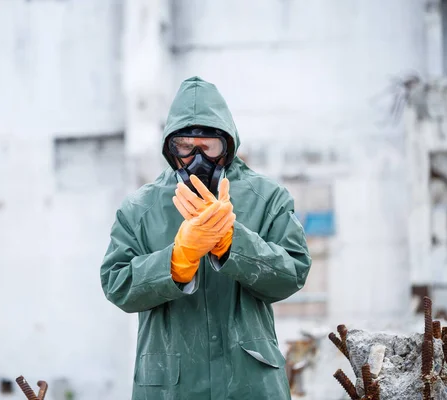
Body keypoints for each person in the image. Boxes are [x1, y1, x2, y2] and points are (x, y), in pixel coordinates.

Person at [100, 76, 312, 399]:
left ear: (227, 145)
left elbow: (294, 270)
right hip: (171, 387)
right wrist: (176, 260)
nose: (197, 159)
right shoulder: (140, 208)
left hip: (249, 384)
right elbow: (116, 282)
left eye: (208, 147)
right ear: (170, 148)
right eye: (184, 147)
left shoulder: (267, 198)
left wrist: (232, 243)